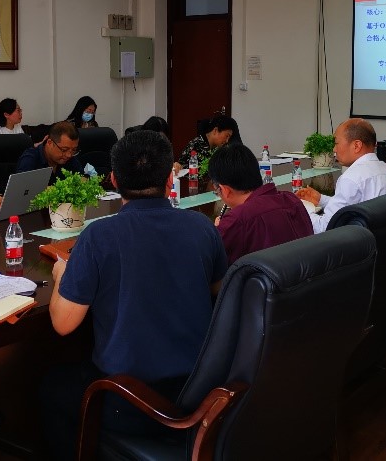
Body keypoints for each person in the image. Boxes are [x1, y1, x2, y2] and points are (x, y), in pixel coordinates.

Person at [40, 131, 227, 461]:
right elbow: (218, 290)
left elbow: (63, 324)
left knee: (53, 387)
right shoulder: (202, 227)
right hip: (199, 392)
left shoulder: (98, 236)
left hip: (130, 402)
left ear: (113, 180)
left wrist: (62, 275)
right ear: (170, 178)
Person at [296, 118, 386, 234]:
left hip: (359, 243)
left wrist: (302, 208)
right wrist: (321, 199)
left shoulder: (351, 179)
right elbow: (354, 206)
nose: (334, 149)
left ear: (356, 145)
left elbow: (324, 228)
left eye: (336, 143)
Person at [210, 143, 312, 264]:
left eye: (217, 191)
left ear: (225, 190)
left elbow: (212, 262)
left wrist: (218, 231)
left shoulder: (236, 220)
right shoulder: (292, 200)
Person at [16, 120, 86, 183]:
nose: (69, 155)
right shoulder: (30, 159)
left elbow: (82, 178)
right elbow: (22, 188)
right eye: (64, 150)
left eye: (74, 150)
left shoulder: (69, 157)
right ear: (49, 143)